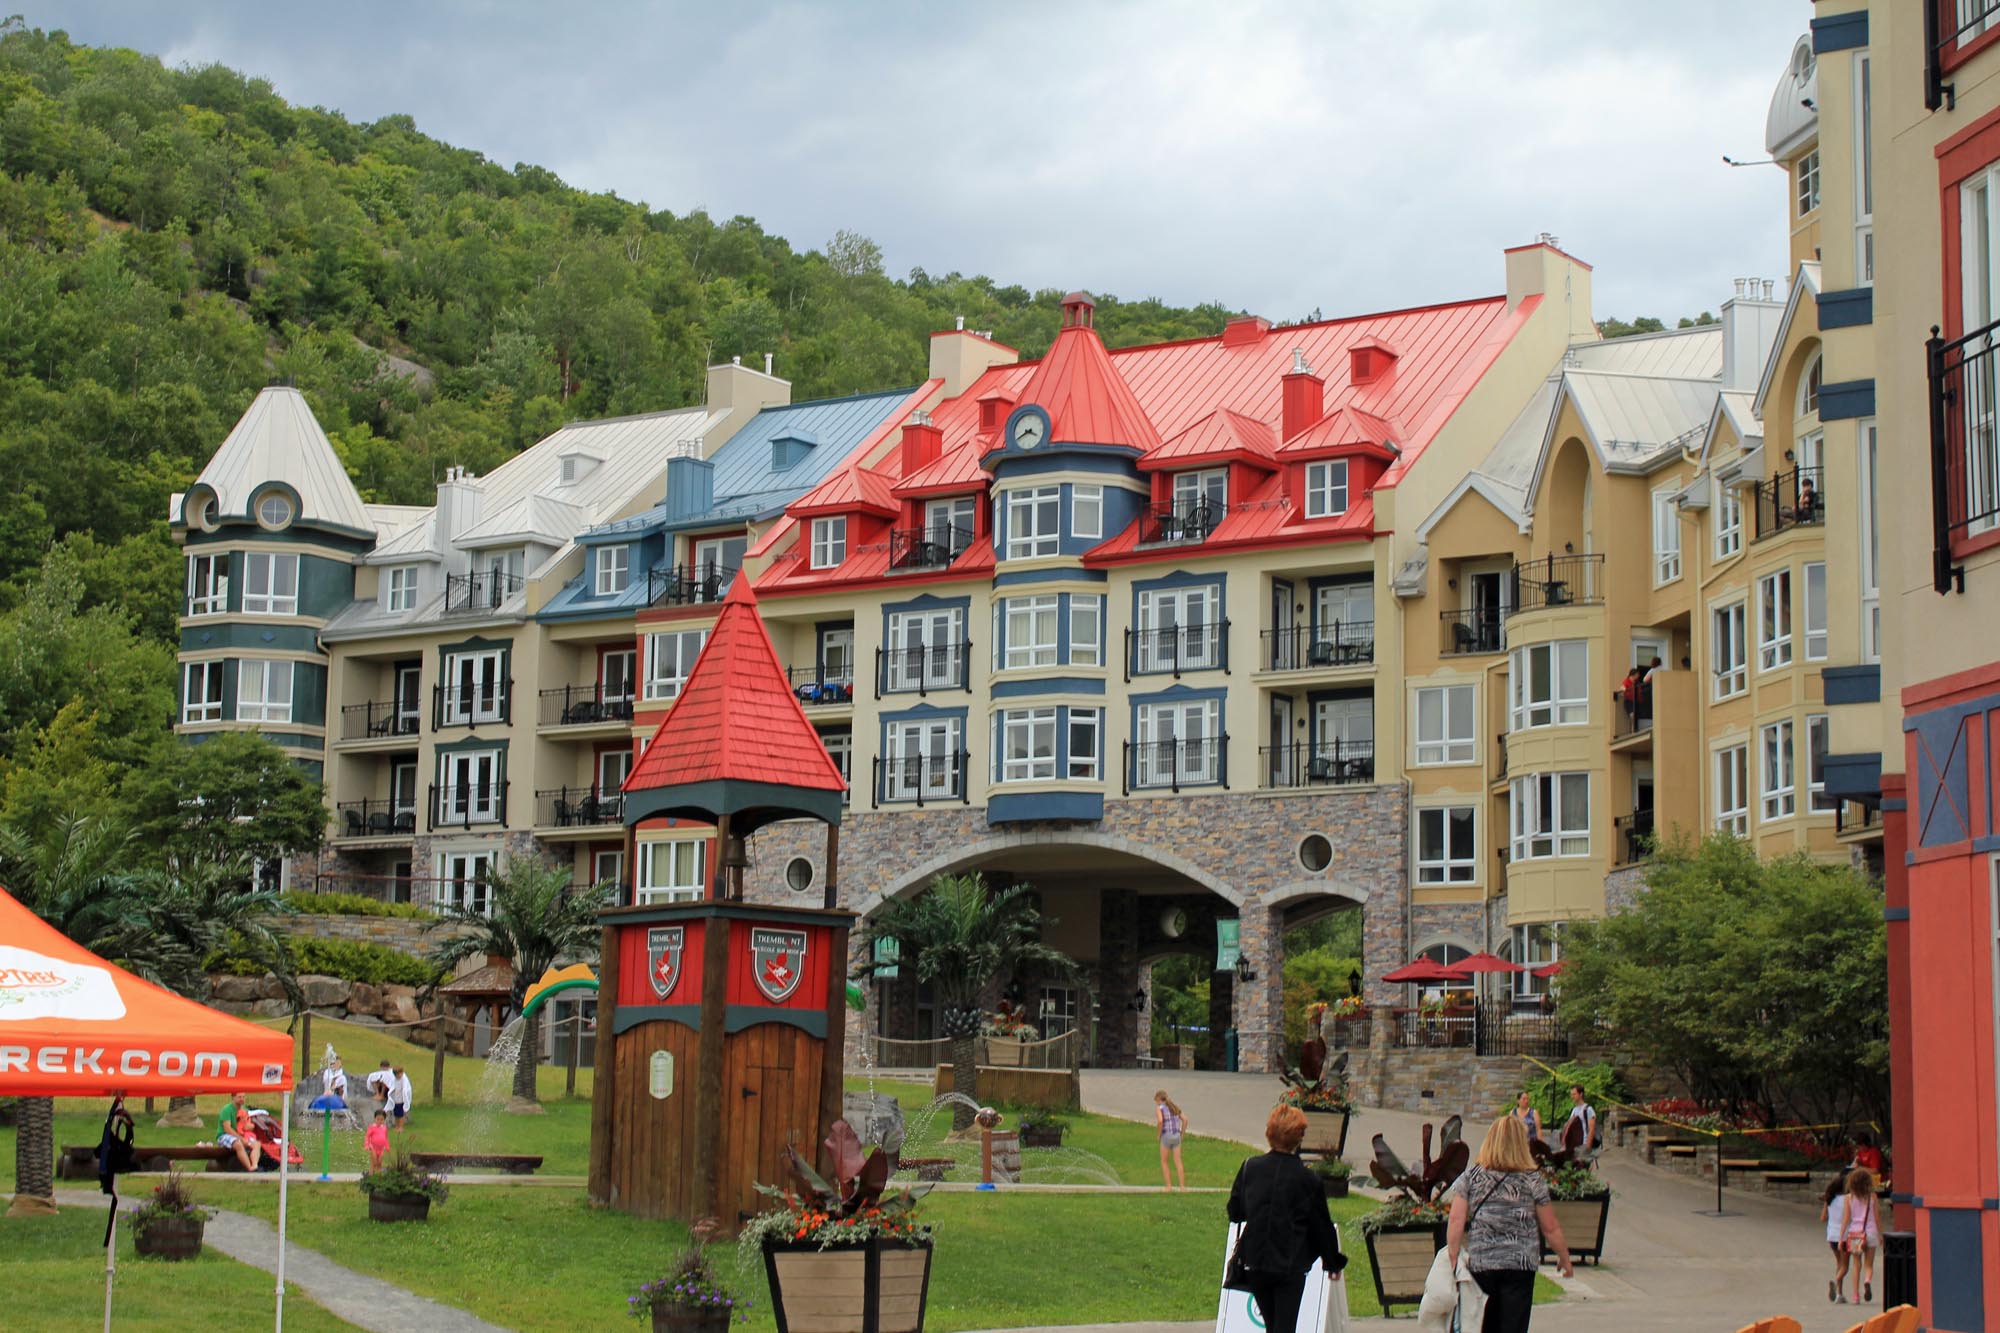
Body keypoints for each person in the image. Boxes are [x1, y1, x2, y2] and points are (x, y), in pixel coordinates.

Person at [1446, 1115, 1574, 1332]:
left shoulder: (1472, 1176)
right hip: (1520, 1265)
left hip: (1482, 1263)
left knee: (1482, 1324)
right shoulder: (1532, 1179)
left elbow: (1456, 1219)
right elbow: (1550, 1227)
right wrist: (1564, 1258)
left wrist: (1452, 1255)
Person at [1225, 1105, 1345, 1332]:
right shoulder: (1308, 1179)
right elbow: (1321, 1226)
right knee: (1284, 1327)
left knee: (1273, 1325)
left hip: (1256, 1261)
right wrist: (1332, 1261)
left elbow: (1236, 1212)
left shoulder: (1251, 1167)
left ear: (1269, 1132)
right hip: (1290, 1264)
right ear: (1299, 1137)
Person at [1837, 1168, 1882, 1305]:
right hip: (1871, 1232)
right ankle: (1867, 1280)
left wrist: (1841, 1238)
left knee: (1857, 1264)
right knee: (1869, 1264)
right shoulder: (1872, 1197)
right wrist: (1881, 1234)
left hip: (1855, 1234)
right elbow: (1877, 1217)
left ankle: (1855, 1296)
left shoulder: (1849, 1198)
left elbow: (1846, 1219)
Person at [1820, 1174, 1851, 1304]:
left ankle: (1840, 1294)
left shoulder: (1830, 1199)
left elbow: (1822, 1218)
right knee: (1845, 1266)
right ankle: (1835, 1281)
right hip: (1844, 1235)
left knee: (1839, 1263)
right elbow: (1850, 1217)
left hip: (1831, 1235)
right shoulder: (1848, 1199)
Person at [216, 1092, 261, 1172]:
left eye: (243, 1097)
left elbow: (245, 1125)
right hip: (224, 1135)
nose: (242, 1099)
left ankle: (254, 1165)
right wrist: (241, 1139)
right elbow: (227, 1129)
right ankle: (249, 1168)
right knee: (238, 1144)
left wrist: (250, 1126)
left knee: (256, 1144)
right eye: (239, 1097)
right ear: (233, 1098)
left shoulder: (244, 1109)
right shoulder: (226, 1109)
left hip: (240, 1134)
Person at [1156, 1090, 1189, 1191]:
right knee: (1178, 1162)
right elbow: (1185, 1119)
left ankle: (1168, 1186)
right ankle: (1182, 1187)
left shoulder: (1159, 1108)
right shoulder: (1174, 1107)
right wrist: (1182, 1133)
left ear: (1158, 1099)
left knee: (1164, 1161)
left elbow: (1160, 1121)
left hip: (1166, 1136)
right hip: (1176, 1136)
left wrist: (1158, 1134)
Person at [1565, 1084, 1598, 1153]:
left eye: (1574, 1094)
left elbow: (1591, 1130)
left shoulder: (1588, 1109)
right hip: (1575, 1145)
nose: (1572, 1097)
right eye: (1571, 1094)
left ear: (1581, 1094)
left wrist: (1588, 1147)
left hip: (1584, 1144)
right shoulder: (1574, 1110)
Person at [386, 1063, 413, 1128]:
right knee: (396, 1114)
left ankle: (401, 1126)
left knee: (401, 1115)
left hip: (401, 1100)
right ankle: (397, 1125)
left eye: (400, 1074)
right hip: (396, 1100)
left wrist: (406, 1101)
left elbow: (406, 1090)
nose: (398, 1076)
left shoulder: (403, 1080)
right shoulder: (394, 1080)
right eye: (396, 1074)